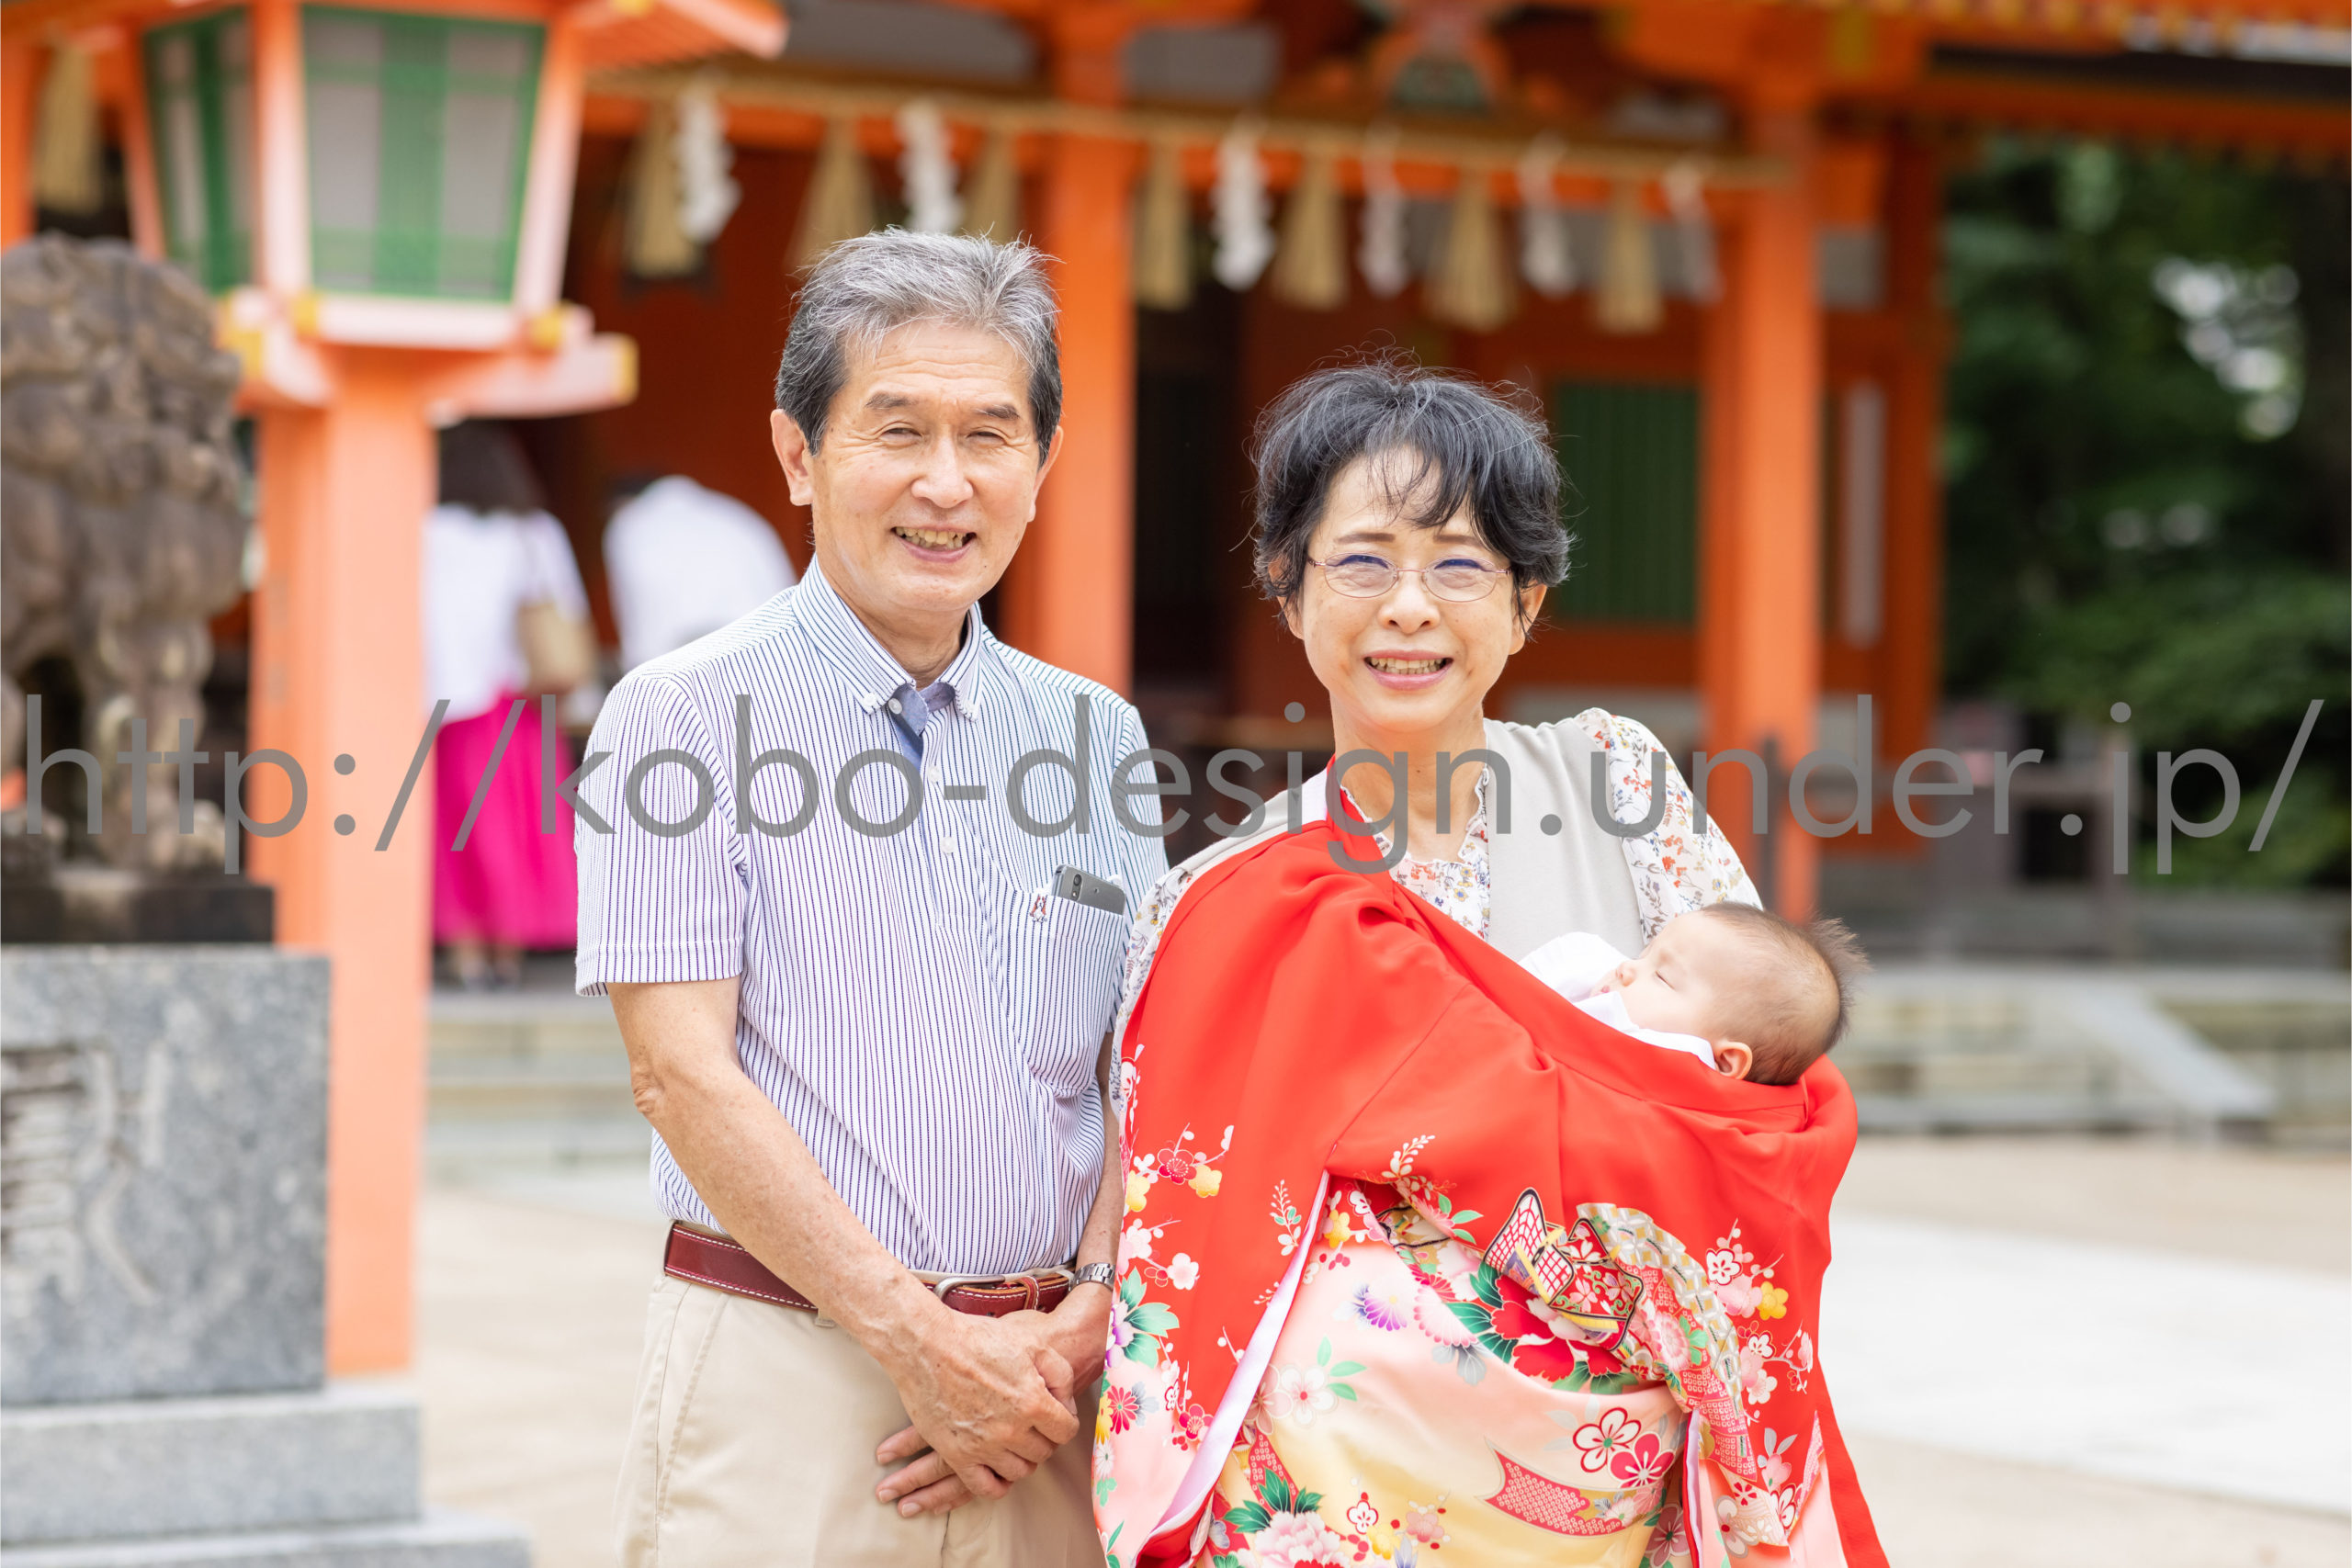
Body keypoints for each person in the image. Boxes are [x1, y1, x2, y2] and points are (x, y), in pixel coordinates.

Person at [1094, 360, 1886, 1568]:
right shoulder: (1220, 894)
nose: (1409, 607)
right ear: (1289, 593)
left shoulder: (1617, 789)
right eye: (1362, 561)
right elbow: (1172, 1210)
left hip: (1606, 1500)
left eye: (1459, 565)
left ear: (1524, 603)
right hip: (1328, 1510)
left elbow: (1755, 1111)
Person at [577, 231, 1168, 1567]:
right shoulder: (679, 720)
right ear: (798, 455)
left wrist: (1092, 1305)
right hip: (792, 1380)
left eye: (989, 435)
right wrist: (919, 1339)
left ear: (1041, 467)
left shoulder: (1096, 737)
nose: (945, 482)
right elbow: (679, 1073)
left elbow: (1141, 1065)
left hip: (1053, 1397)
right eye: (897, 429)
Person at [425, 420, 592, 990]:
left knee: (457, 831)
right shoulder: (533, 530)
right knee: (519, 828)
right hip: (520, 701)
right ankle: (507, 953)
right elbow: (565, 606)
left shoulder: (427, 531)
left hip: (449, 702)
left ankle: (466, 954)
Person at [1522, 905, 1871, 1083]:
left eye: (1662, 977)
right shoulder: (1586, 970)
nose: (1626, 969)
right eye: (1645, 953)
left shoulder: (1673, 1073)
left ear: (1723, 1062)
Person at [603, 472, 798, 671]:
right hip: (765, 650)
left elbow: (637, 629)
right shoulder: (734, 512)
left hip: (687, 657)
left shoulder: (630, 522)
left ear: (621, 502)